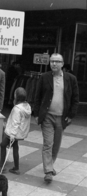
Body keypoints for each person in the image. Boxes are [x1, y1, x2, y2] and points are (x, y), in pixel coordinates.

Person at [34, 53, 79, 183]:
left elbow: (75, 98)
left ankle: (50, 164)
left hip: (62, 117)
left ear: (62, 64)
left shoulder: (71, 79)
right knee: (48, 143)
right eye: (52, 61)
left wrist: (71, 115)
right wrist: (36, 114)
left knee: (56, 145)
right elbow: (38, 96)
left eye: (57, 61)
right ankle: (48, 171)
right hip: (47, 116)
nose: (54, 63)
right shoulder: (44, 77)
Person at [0, 87, 31, 175]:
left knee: (2, 145)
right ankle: (16, 168)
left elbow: (15, 122)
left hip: (12, 132)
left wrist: (12, 135)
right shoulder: (27, 107)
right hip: (20, 132)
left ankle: (1, 167)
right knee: (15, 147)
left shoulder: (17, 109)